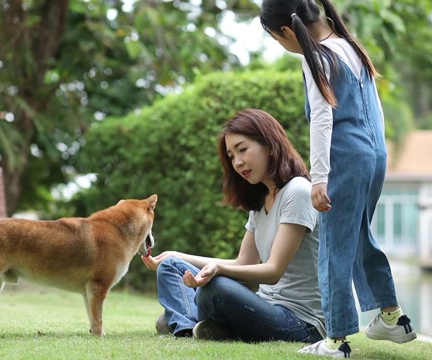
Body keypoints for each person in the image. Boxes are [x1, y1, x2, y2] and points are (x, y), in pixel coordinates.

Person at [259, 0, 417, 357]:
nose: (281, 45)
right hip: (374, 156)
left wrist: (318, 178)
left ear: (287, 31)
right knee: (359, 236)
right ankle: (392, 316)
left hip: (344, 160)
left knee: (332, 246)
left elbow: (322, 118)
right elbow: (373, 109)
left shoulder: (315, 57)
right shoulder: (350, 46)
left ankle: (335, 340)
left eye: (276, 38)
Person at [141, 108, 326, 344]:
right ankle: (196, 326)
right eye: (231, 156)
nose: (237, 163)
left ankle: (187, 322)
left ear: (269, 145)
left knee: (216, 289)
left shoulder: (298, 191)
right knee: (170, 266)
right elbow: (243, 263)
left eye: (243, 149)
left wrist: (216, 268)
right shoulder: (260, 202)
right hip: (265, 307)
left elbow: (272, 271)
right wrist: (176, 255)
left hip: (300, 322)